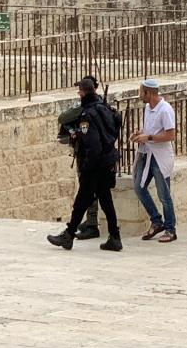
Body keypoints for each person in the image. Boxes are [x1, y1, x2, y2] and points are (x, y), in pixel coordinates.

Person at [48, 77, 123, 251]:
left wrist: (87, 167)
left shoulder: (87, 115)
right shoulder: (104, 108)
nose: (78, 94)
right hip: (107, 161)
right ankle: (115, 237)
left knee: (81, 201)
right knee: (105, 200)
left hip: (94, 166)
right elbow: (114, 127)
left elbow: (93, 145)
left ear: (83, 92)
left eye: (79, 91)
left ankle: (68, 236)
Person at [130, 79, 177, 243]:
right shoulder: (147, 108)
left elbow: (170, 135)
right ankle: (156, 220)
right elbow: (151, 130)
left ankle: (171, 229)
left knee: (164, 194)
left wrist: (148, 137)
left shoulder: (165, 110)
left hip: (160, 157)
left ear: (148, 93)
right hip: (147, 154)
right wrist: (140, 134)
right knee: (138, 186)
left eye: (141, 92)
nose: (139, 95)